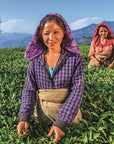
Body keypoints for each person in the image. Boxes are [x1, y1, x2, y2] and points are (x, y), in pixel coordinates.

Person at [17, 13, 84, 143]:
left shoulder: (74, 59)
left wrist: (61, 123)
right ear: (41, 36)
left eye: (56, 32)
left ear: (64, 33)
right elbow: (29, 90)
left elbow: (77, 90)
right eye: (46, 33)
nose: (51, 38)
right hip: (42, 114)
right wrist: (24, 117)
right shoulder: (35, 61)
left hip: (70, 116)